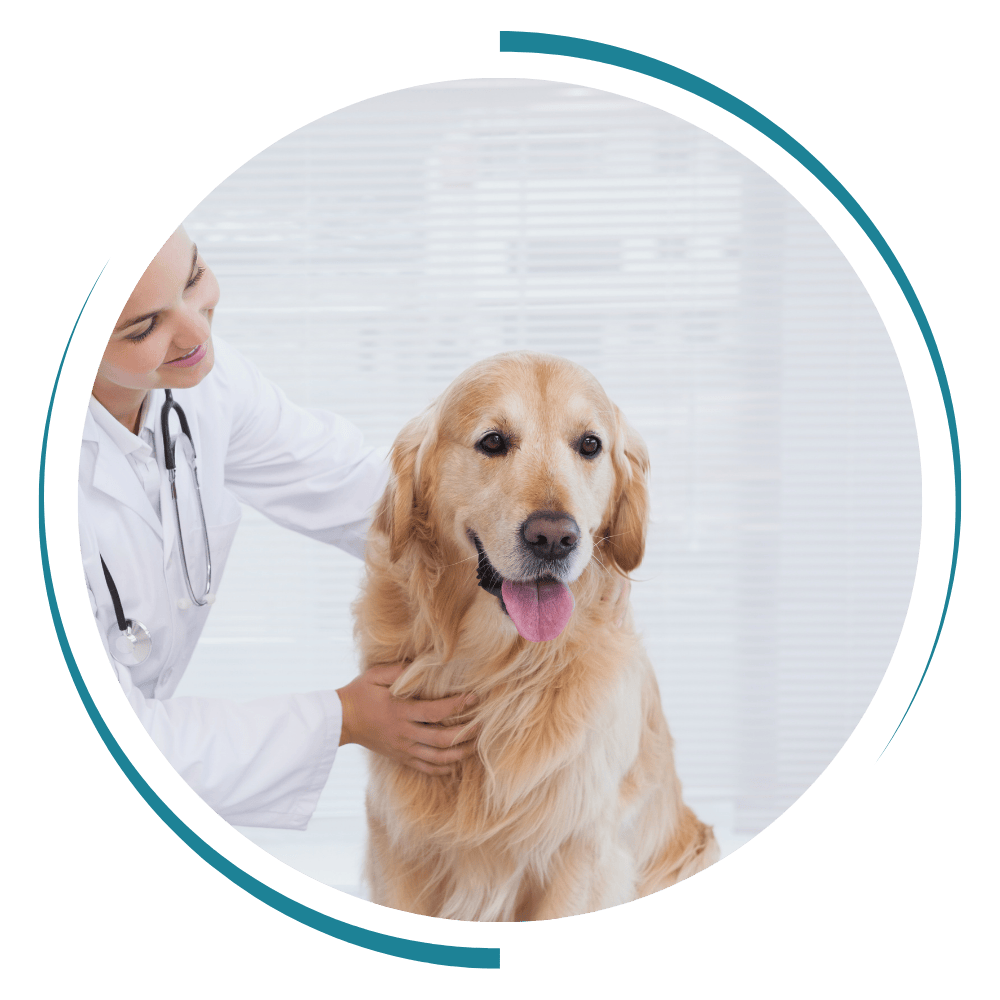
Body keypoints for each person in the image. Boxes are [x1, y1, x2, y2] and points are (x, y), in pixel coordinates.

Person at [78, 227, 478, 831]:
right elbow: (108, 744)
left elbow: (350, 487)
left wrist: (512, 534)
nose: (196, 332)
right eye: (143, 328)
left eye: (193, 278)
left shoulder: (201, 381)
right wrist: (344, 717)